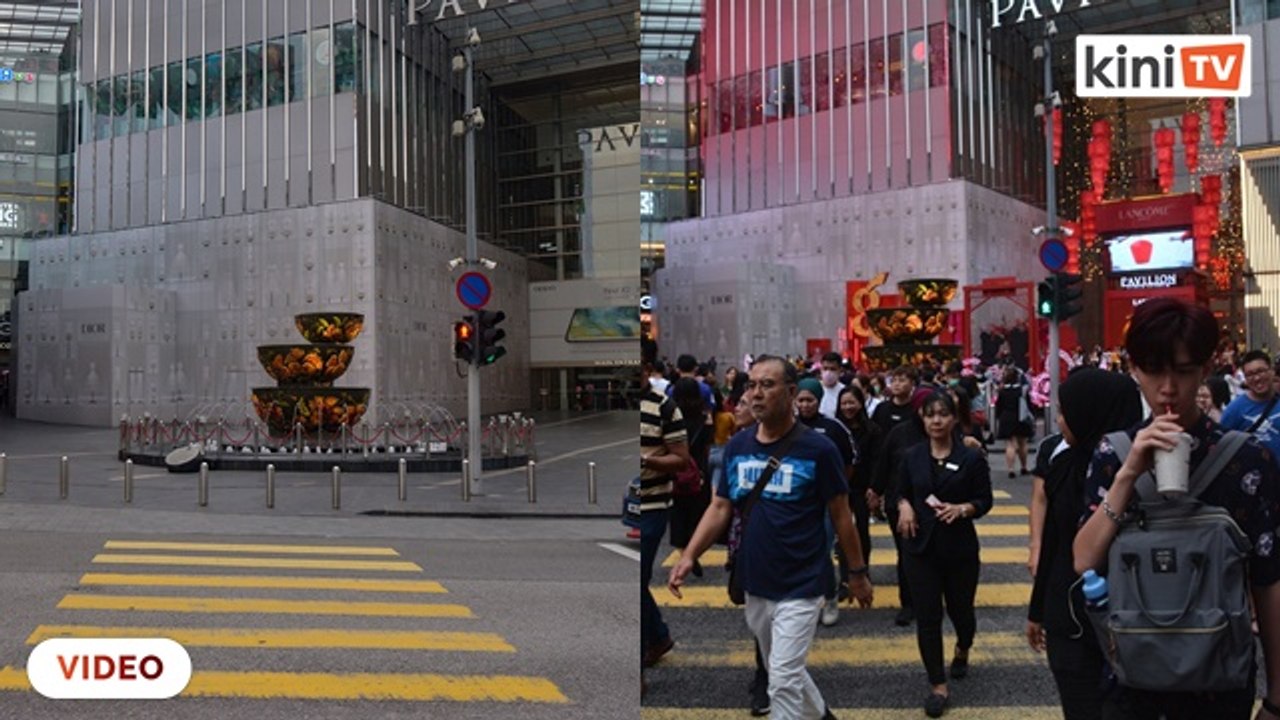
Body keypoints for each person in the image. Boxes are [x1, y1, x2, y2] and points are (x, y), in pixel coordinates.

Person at [1072, 298, 1280, 720]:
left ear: (1205, 370)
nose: (1168, 387)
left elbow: (1269, 581)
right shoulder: (1113, 454)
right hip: (1131, 682)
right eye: (1153, 371)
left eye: (1184, 371)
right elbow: (1082, 559)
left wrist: (1277, 696)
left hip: (1219, 684)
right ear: (1133, 371)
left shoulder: (1248, 459)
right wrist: (1128, 474)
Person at [668, 355, 872, 720]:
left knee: (780, 681)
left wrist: (856, 573)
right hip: (756, 581)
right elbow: (719, 507)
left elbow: (842, 515)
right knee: (785, 670)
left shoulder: (819, 449)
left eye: (767, 385)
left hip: (804, 581)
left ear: (791, 392)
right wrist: (689, 555)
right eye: (752, 386)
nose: (756, 394)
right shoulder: (738, 446)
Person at [1026, 369, 1142, 720]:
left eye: (1066, 412)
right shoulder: (1062, 464)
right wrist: (1037, 611)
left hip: (1135, 617)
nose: (1060, 420)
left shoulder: (1139, 468)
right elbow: (1053, 545)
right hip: (1069, 620)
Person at [895, 390, 993, 718]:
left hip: (959, 549)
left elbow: (984, 500)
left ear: (953, 418)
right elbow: (898, 491)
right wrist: (903, 505)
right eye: (930, 414)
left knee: (961, 611)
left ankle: (963, 648)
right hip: (919, 548)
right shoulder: (912, 456)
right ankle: (938, 684)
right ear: (922, 420)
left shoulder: (971, 458)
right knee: (928, 616)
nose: (936, 420)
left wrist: (964, 508)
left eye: (942, 414)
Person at [640, 340, 692, 672]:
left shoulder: (664, 407)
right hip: (626, 505)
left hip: (654, 505)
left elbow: (681, 459)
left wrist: (647, 460)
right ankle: (657, 636)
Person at [796, 377, 859, 627]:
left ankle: (830, 597)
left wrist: (837, 488)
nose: (805, 405)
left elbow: (850, 460)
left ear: (819, 401)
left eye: (809, 400)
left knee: (822, 552)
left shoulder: (834, 428)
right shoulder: (786, 426)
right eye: (800, 400)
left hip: (825, 502)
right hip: (796, 501)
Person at [669, 377, 713, 579]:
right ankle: (693, 553)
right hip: (700, 474)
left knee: (678, 515)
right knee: (697, 516)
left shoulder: (671, 419)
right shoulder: (704, 419)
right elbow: (708, 447)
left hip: (676, 472)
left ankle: (684, 552)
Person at [837, 384, 882, 569]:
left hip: (862, 489)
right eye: (844, 403)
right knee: (841, 532)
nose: (848, 407)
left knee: (861, 531)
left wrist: (875, 489)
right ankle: (845, 576)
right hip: (839, 489)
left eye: (852, 402)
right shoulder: (835, 429)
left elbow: (877, 461)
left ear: (861, 403)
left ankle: (862, 570)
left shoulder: (873, 430)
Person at [1220, 350, 1280, 461]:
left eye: (1261, 371)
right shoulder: (1235, 409)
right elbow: (1221, 445)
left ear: (1272, 371)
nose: (1257, 378)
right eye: (1250, 374)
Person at [995, 366, 1034, 478]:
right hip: (1021, 417)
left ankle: (1011, 469)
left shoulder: (1002, 391)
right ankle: (1024, 467)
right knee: (1023, 443)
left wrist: (999, 417)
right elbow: (1029, 406)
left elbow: (999, 407)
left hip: (1006, 418)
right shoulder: (1022, 391)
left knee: (1010, 444)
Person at [818, 352, 847, 419]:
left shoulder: (845, 391)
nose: (828, 372)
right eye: (825, 368)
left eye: (832, 369)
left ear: (840, 370)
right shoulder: (814, 389)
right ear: (821, 369)